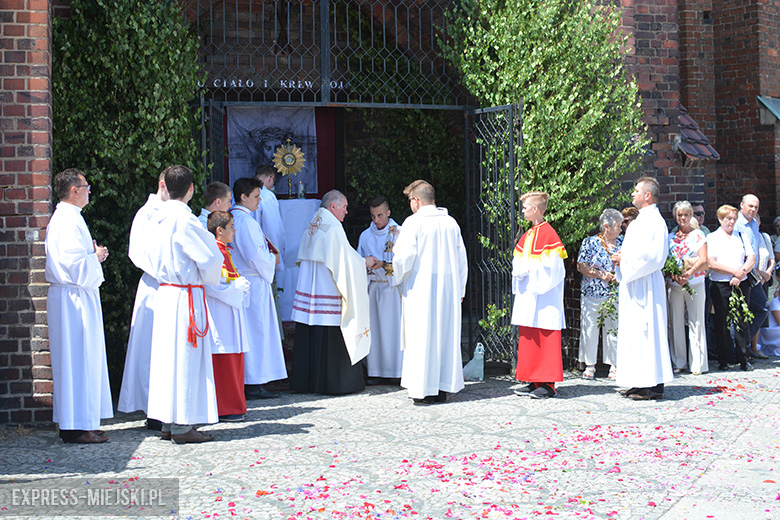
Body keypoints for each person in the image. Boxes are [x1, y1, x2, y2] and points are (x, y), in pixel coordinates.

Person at [146, 165, 224, 444]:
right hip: (184, 296)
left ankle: (167, 421)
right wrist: (209, 276)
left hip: (165, 293)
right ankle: (182, 425)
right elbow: (210, 257)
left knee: (168, 360)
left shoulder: (156, 217)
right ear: (191, 189)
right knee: (185, 360)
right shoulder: (185, 220)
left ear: (165, 186)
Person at [45, 168, 112, 444]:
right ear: (74, 190)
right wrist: (95, 257)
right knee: (76, 361)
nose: (89, 191)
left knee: (83, 360)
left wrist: (93, 257)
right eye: (86, 187)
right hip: (72, 300)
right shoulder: (66, 221)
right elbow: (74, 266)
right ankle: (74, 427)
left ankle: (82, 421)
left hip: (77, 298)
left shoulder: (71, 218)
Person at [290, 190, 377, 394]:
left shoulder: (314, 224)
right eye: (344, 207)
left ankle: (307, 382)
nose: (346, 212)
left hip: (313, 297)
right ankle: (337, 384)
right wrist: (365, 262)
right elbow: (345, 263)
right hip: (327, 294)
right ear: (333, 206)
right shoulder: (333, 228)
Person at [393, 180, 468, 404]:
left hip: (420, 289)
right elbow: (461, 259)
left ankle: (422, 390)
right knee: (444, 336)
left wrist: (397, 278)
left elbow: (404, 257)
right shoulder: (451, 223)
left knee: (421, 337)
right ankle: (442, 388)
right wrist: (460, 288)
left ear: (416, 201)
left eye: (410, 201)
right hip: (448, 290)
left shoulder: (413, 223)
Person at [611, 176, 673, 401]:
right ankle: (640, 381)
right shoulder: (641, 221)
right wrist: (623, 259)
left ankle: (653, 384)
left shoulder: (653, 221)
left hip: (645, 285)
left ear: (648, 195)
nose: (632, 194)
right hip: (635, 282)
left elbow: (653, 257)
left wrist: (624, 259)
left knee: (648, 333)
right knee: (636, 333)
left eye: (636, 190)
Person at [117, 171, 169, 427]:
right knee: (151, 348)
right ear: (162, 185)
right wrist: (166, 273)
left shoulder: (174, 211)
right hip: (156, 285)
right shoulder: (146, 214)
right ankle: (153, 409)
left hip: (172, 285)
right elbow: (137, 252)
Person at [229, 177, 287, 399]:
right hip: (253, 282)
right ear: (243, 197)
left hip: (248, 280)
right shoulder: (247, 222)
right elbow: (255, 255)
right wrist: (272, 259)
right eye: (255, 197)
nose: (259, 201)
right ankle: (254, 381)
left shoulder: (237, 218)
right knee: (256, 331)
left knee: (253, 331)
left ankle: (254, 379)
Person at [511, 191, 567, 399]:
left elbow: (554, 270)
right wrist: (518, 270)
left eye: (525, 207)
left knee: (545, 336)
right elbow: (520, 259)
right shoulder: (528, 234)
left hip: (544, 298)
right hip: (529, 296)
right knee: (530, 336)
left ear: (535, 209)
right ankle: (534, 379)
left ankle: (548, 384)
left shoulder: (549, 234)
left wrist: (531, 272)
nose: (523, 211)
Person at [206, 211, 252, 422]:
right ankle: (226, 407)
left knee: (233, 356)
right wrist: (238, 286)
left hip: (228, 311)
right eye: (231, 227)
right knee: (224, 358)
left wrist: (238, 285)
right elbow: (214, 285)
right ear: (219, 230)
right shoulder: (216, 251)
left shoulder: (224, 250)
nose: (234, 231)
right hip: (220, 313)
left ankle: (234, 405)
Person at [357, 196, 403, 383]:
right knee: (374, 332)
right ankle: (375, 372)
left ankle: (396, 372)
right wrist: (367, 266)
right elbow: (359, 260)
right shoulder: (365, 236)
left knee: (393, 332)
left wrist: (383, 265)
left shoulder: (398, 233)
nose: (376, 220)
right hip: (373, 287)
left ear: (388, 213)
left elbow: (402, 262)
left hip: (392, 290)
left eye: (380, 215)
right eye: (373, 216)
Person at [576, 208, 623, 381]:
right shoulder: (590, 243)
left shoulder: (622, 242)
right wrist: (601, 274)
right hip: (593, 292)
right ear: (606, 226)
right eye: (618, 226)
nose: (620, 229)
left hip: (615, 293)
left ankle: (615, 365)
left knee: (614, 329)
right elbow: (581, 266)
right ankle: (590, 365)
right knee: (590, 327)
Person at [707, 204, 755, 371]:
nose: (731, 222)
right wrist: (733, 272)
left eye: (734, 219)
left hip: (741, 282)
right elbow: (712, 262)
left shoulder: (741, 235)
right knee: (723, 321)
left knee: (742, 321)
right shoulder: (713, 237)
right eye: (728, 218)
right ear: (720, 219)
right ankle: (724, 359)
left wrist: (741, 273)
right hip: (721, 284)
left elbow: (751, 258)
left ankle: (743, 358)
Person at [667, 201, 709, 375]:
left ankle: (698, 363)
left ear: (691, 215)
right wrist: (673, 275)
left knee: (696, 321)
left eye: (685, 214)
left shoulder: (698, 235)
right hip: (675, 284)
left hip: (695, 283)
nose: (682, 218)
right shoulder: (670, 237)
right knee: (675, 322)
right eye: (679, 215)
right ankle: (679, 361)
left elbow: (704, 259)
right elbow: (666, 261)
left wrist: (689, 273)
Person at [253, 165, 286, 339]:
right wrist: (277, 256)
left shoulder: (244, 195)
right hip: (265, 256)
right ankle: (275, 338)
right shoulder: (267, 196)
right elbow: (274, 230)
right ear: (271, 178)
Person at [736, 195, 769, 345]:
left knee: (762, 307)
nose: (753, 209)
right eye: (750, 206)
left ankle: (743, 345)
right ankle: (738, 348)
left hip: (752, 273)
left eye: (756, 207)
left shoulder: (754, 224)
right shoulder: (736, 223)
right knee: (740, 312)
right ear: (742, 205)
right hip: (740, 271)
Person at [749, 215, 773, 359]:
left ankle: (754, 347)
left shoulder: (764, 237)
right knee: (752, 312)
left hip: (763, 280)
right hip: (754, 279)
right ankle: (745, 346)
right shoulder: (745, 236)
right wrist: (761, 274)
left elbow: (771, 258)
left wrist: (768, 272)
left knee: (761, 312)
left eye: (756, 220)